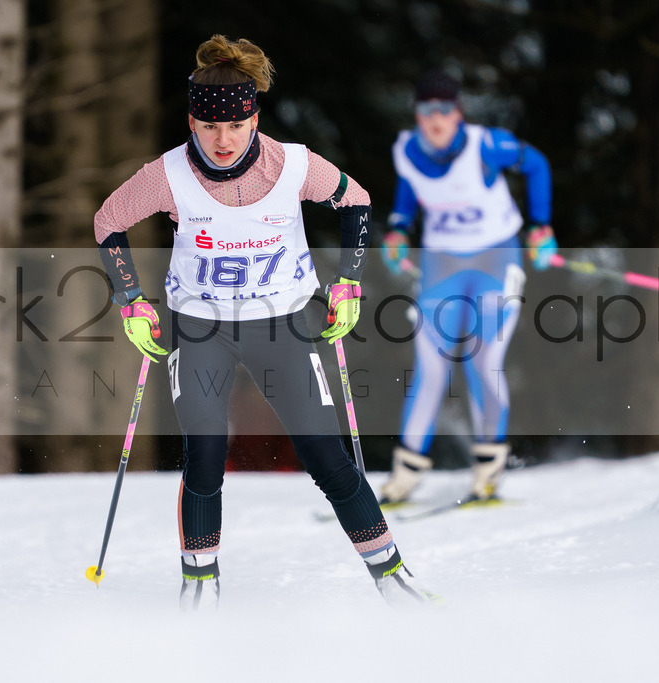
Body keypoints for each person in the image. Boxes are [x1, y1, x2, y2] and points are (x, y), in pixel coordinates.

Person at [94, 35, 435, 610]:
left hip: (281, 321)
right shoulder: (167, 174)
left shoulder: (294, 164)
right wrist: (131, 299)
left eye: (236, 126)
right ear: (191, 122)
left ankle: (394, 580)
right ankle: (199, 591)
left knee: (327, 457)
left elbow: (357, 201)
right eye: (207, 127)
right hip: (200, 325)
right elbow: (109, 221)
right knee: (203, 452)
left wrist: (347, 282)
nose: (222, 141)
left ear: (255, 118)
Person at [380, 69, 557, 505]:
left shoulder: (487, 144)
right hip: (442, 268)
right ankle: (404, 475)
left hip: (496, 260)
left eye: (444, 110)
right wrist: (398, 229)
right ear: (418, 114)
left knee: (484, 358)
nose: (436, 119)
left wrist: (540, 226)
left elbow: (536, 165)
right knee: (430, 365)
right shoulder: (406, 150)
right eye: (427, 110)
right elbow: (409, 193)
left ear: (458, 113)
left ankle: (489, 470)